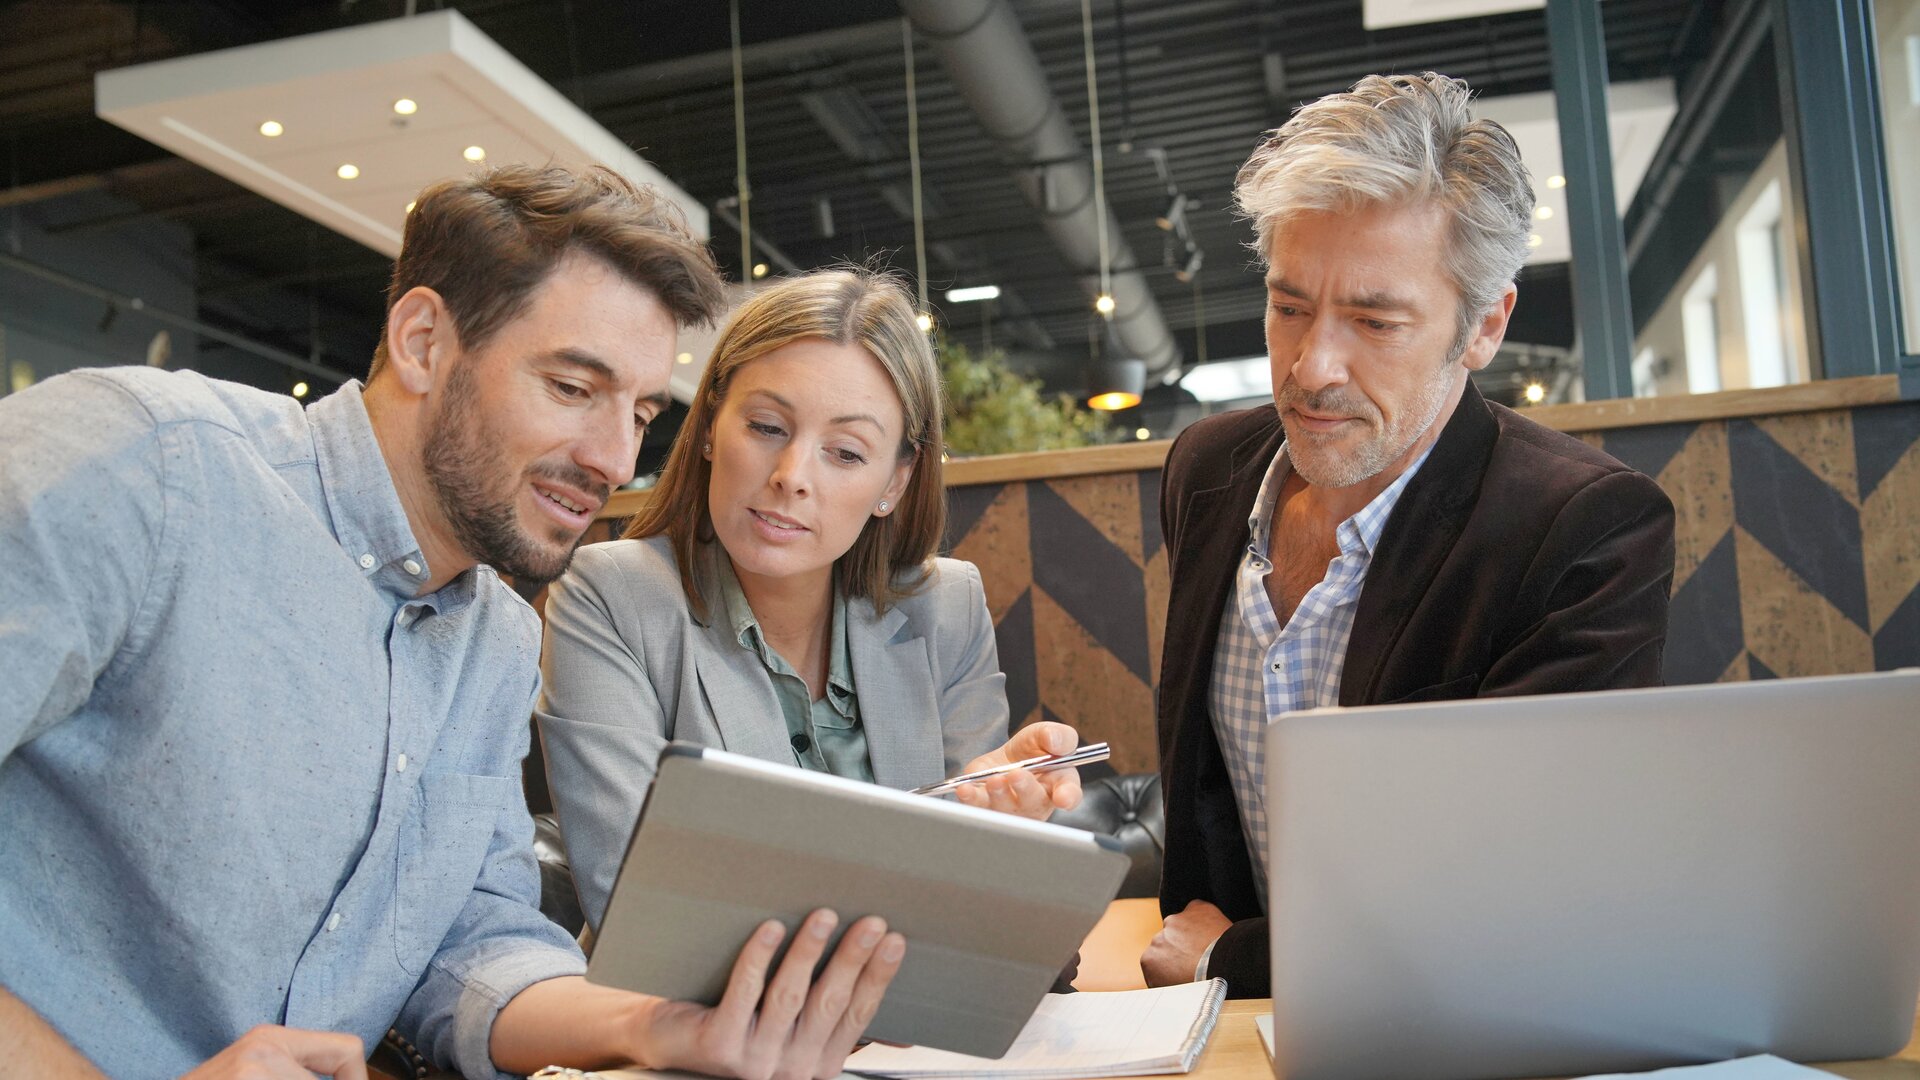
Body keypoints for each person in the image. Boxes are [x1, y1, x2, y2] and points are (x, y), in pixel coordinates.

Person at [0, 164, 907, 1080]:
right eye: (571, 387)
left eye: (639, 414)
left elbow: (468, 947)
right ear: (424, 341)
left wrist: (661, 1026)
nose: (612, 459)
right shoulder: (147, 461)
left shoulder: (496, 642)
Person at [1140, 73, 1677, 997]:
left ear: (1484, 327)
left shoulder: (1585, 528)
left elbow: (1525, 897)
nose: (1313, 367)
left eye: (1375, 321)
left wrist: (1234, 961)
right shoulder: (1207, 470)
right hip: (1219, 1037)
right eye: (1289, 307)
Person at [538, 268, 1084, 934]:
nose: (791, 477)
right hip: (689, 997)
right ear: (709, 426)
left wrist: (1000, 827)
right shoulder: (609, 596)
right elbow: (640, 903)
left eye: (846, 453)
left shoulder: (947, 607)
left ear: (895, 482)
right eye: (767, 426)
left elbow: (977, 910)